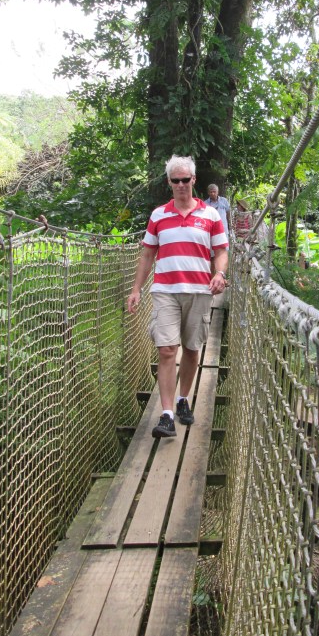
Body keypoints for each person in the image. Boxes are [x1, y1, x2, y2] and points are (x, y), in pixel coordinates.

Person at [127, 155, 229, 439]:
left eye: (186, 180)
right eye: (176, 180)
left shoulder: (211, 215)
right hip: (165, 291)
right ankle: (167, 414)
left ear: (193, 180)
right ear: (169, 182)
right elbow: (147, 254)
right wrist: (136, 289)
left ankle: (184, 398)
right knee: (167, 350)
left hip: (199, 291)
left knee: (192, 348)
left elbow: (220, 251)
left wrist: (219, 274)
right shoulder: (158, 215)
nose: (182, 185)